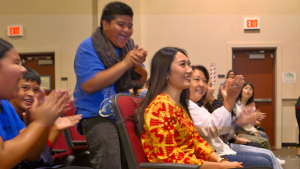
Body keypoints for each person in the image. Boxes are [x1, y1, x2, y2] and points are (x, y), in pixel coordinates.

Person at [134, 47, 243, 168]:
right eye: (183, 65)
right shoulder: (160, 106)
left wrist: (220, 161)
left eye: (189, 65)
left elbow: (196, 141)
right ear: (166, 73)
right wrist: (218, 166)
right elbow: (168, 158)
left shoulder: (178, 105)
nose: (190, 70)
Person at [73, 1, 147, 169]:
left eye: (130, 26)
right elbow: (89, 85)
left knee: (134, 161)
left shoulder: (128, 48)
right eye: (121, 25)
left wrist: (136, 65)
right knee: (110, 162)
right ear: (105, 24)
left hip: (123, 114)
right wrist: (125, 63)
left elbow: (142, 79)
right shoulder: (88, 47)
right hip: (96, 115)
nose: (127, 30)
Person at [0, 38, 70, 169]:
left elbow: (33, 154)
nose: (23, 70)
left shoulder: (5, 105)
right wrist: (40, 122)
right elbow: (2, 160)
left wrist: (43, 122)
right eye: (16, 63)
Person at [188, 65, 275, 168]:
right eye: (197, 79)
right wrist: (230, 100)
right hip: (219, 149)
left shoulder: (201, 106)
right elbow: (218, 131)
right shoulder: (193, 105)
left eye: (205, 82)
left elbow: (223, 131)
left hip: (222, 146)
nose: (204, 86)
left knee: (266, 153)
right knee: (264, 158)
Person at [9, 67, 90, 168]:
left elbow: (42, 155)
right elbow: (32, 158)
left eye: (36, 90)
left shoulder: (31, 116)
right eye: (25, 88)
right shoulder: (8, 116)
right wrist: (42, 122)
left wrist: (55, 129)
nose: (31, 94)